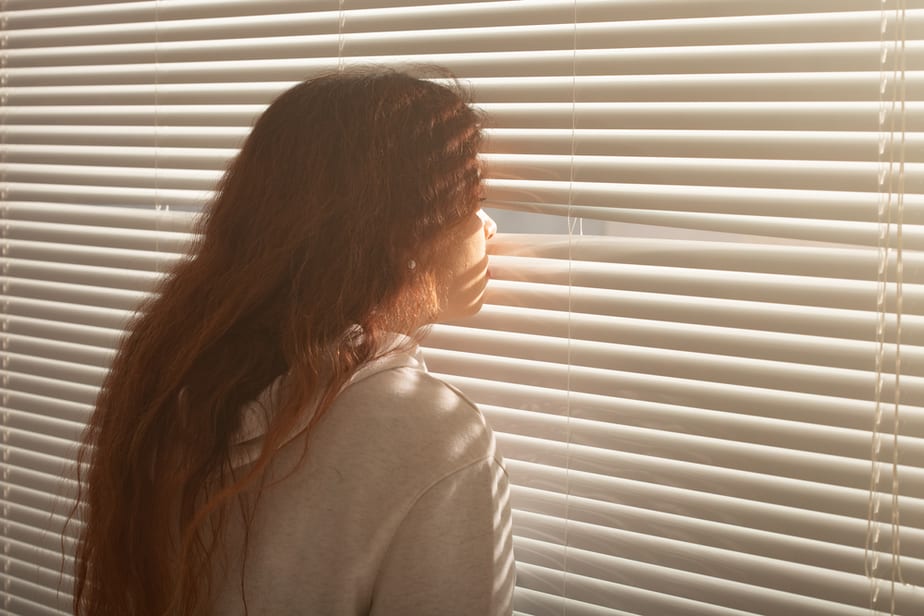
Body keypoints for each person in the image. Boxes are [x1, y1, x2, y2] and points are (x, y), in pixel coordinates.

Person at [71, 68, 514, 615]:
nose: (489, 226)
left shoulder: (177, 379)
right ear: (406, 235)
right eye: (474, 200)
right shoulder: (437, 440)